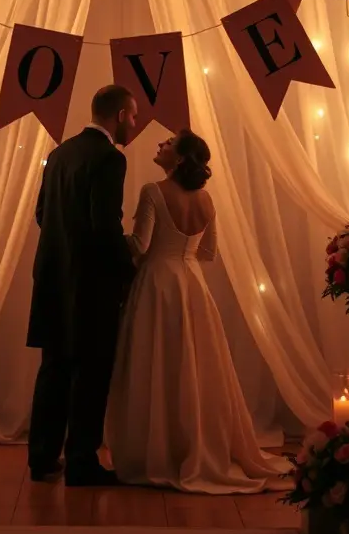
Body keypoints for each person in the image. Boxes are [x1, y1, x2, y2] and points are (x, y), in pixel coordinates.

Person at [106, 129, 290, 493]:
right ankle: (191, 445)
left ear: (180, 158)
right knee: (192, 366)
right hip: (191, 285)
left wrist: (111, 234)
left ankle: (154, 451)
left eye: (169, 143)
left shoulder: (152, 191)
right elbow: (208, 254)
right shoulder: (206, 200)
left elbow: (139, 246)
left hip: (157, 284)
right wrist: (182, 254)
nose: (161, 144)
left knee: (154, 363)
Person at [27, 84, 138, 487]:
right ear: (121, 115)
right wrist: (128, 270)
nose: (135, 124)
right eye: (134, 116)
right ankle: (80, 461)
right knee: (91, 372)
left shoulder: (59, 153)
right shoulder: (110, 158)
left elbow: (42, 213)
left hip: (53, 276)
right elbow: (105, 224)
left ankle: (41, 457)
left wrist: (65, 245)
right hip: (90, 284)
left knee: (54, 367)